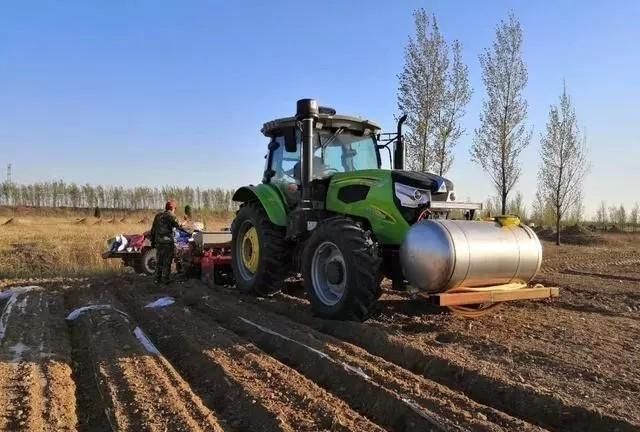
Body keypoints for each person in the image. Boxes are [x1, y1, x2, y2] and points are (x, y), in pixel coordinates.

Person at [149, 200, 181, 284]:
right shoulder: (171, 215)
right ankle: (165, 279)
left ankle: (157, 279)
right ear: (173, 208)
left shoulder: (158, 216)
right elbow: (178, 226)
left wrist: (152, 242)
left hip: (158, 242)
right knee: (167, 261)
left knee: (159, 260)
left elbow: (153, 230)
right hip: (167, 242)